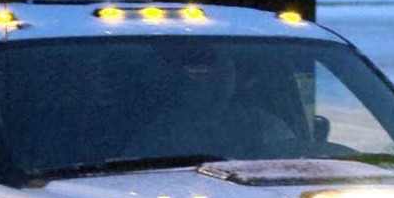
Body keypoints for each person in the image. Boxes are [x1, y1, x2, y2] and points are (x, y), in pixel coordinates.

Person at [122, 44, 298, 160]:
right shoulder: (165, 129)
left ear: (235, 78)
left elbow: (293, 163)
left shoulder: (265, 125)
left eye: (225, 73)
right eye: (202, 75)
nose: (216, 83)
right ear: (185, 79)